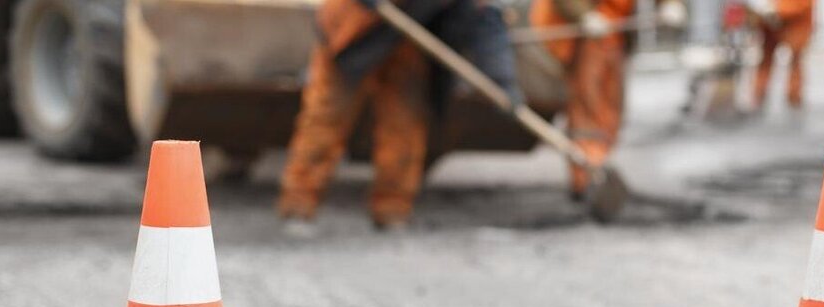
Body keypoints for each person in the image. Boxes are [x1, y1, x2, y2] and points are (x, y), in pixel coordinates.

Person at [278, 0, 521, 230]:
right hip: (353, 30)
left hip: (406, 39)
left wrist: (502, 82)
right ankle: (299, 205)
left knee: (404, 127)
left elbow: (486, 20)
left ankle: (392, 210)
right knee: (327, 120)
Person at [529, 0, 686, 199]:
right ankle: (585, 177)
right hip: (583, 35)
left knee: (611, 109)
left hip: (614, 34)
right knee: (587, 107)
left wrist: (671, 4)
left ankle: (599, 167)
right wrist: (583, 16)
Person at [749, 0, 814, 110]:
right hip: (770, 24)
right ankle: (759, 93)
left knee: (795, 60)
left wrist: (778, 9)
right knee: (766, 59)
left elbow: (803, 4)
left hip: (796, 24)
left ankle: (794, 96)